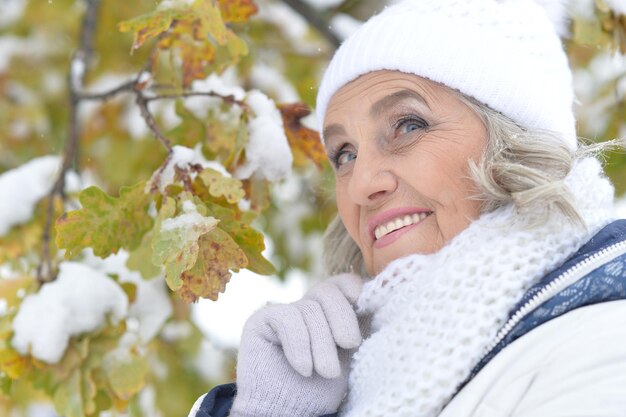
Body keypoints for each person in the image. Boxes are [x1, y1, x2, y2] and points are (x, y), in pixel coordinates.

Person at [189, 0, 626, 416]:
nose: (361, 184)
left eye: (408, 125)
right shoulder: (363, 380)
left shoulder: (605, 346)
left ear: (513, 141)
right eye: (344, 153)